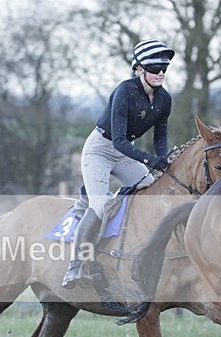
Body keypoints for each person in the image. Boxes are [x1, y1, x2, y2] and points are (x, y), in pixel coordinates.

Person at [62, 39, 174, 288]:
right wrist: (150, 160)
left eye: (164, 68)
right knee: (101, 206)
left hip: (125, 153)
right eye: (155, 67)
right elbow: (120, 141)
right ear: (139, 69)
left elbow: (160, 138)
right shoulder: (125, 91)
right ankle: (76, 265)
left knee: (151, 189)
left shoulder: (164, 99)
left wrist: (164, 159)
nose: (161, 73)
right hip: (101, 150)